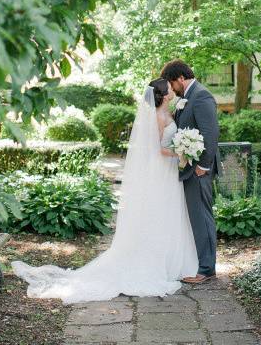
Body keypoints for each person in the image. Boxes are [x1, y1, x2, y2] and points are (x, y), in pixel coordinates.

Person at [11, 78, 198, 303]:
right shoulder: (158, 117)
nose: (171, 89)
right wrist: (179, 151)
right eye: (168, 88)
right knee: (157, 214)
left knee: (169, 214)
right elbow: (157, 149)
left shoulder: (170, 112)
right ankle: (153, 262)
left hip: (168, 173)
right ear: (163, 94)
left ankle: (171, 262)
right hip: (161, 171)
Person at [161, 59, 221, 284]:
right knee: (195, 217)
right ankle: (202, 264)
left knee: (202, 216)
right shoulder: (186, 98)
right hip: (188, 168)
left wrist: (203, 166)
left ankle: (206, 270)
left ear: (180, 79)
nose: (171, 89)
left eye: (171, 84)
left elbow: (210, 133)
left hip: (198, 170)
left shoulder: (201, 96)